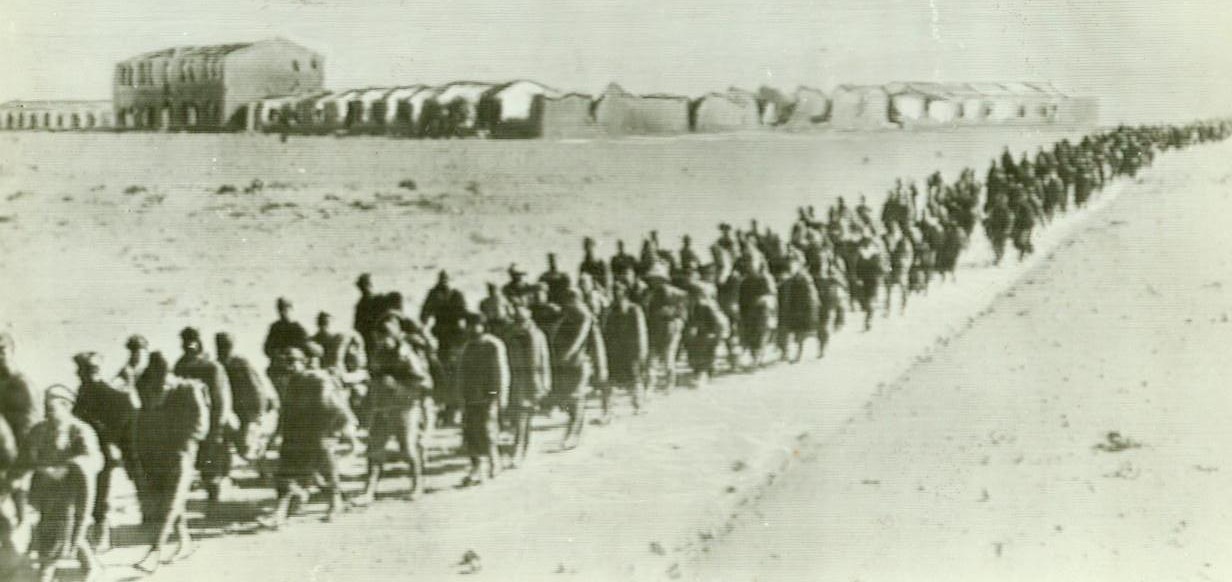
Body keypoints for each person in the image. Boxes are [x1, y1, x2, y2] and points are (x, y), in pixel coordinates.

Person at [132, 353, 209, 572]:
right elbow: (142, 418)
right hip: (153, 453)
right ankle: (185, 541)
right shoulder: (146, 387)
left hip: (180, 453)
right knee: (166, 500)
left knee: (171, 501)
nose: (158, 393)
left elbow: (200, 426)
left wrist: (181, 445)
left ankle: (155, 551)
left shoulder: (189, 390)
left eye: (163, 386)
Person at [21, 385, 104, 582]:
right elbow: (28, 454)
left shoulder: (80, 429)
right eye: (46, 408)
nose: (48, 413)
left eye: (52, 408)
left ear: (66, 406)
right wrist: (40, 467)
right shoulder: (39, 429)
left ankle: (47, 568)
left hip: (70, 489)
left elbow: (93, 458)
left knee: (68, 527)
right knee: (50, 526)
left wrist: (69, 467)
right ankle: (88, 564)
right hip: (46, 489)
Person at [267, 348, 356, 527]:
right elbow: (286, 412)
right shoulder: (292, 382)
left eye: (293, 362)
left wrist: (333, 434)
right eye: (286, 362)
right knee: (284, 473)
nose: (289, 366)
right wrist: (276, 435)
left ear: (304, 362)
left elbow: (338, 410)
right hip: (295, 435)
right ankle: (279, 514)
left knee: (325, 472)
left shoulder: (318, 380)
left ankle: (334, 504)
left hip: (317, 434)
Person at [356, 311, 433, 504]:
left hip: (405, 407)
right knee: (374, 449)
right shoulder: (378, 353)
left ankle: (417, 484)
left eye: (385, 338)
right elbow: (374, 376)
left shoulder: (406, 355)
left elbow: (424, 383)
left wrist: (398, 386)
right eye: (379, 338)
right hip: (382, 406)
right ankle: (369, 490)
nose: (382, 342)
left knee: (408, 448)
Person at [71, 352, 139, 552]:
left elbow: (128, 410)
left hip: (100, 453)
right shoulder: (85, 390)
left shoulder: (104, 392)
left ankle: (101, 536)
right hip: (89, 452)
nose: (78, 373)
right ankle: (92, 535)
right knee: (91, 496)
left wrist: (110, 437)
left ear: (90, 371)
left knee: (99, 496)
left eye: (81, 370)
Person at [173, 327, 238, 504]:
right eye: (186, 341)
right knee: (197, 460)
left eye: (193, 341)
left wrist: (218, 426)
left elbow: (222, 398)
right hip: (188, 424)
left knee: (212, 461)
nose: (190, 345)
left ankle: (214, 498)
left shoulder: (212, 367)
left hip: (211, 422)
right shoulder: (180, 366)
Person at [455, 313, 509, 485]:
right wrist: (460, 397)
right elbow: (461, 374)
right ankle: (476, 467)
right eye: (468, 325)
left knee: (488, 430)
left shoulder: (493, 345)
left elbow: (501, 372)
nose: (471, 329)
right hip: (471, 395)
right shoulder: (467, 347)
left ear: (482, 326)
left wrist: (500, 396)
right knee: (470, 431)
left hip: (489, 395)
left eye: (474, 325)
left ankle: (495, 462)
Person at [549, 288, 607, 450]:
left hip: (578, 364)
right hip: (567, 365)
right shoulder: (568, 319)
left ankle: (573, 434)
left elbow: (590, 344)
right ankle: (575, 432)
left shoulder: (584, 319)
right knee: (571, 399)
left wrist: (601, 368)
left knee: (576, 399)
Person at [216, 333, 280, 466]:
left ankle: (262, 464)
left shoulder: (239, 363)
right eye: (221, 346)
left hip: (248, 410)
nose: (223, 349)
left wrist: (257, 412)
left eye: (225, 346)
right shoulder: (220, 364)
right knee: (231, 442)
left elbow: (256, 387)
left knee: (245, 446)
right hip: (234, 410)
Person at [499, 306, 551, 466]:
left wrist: (543, 383)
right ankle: (521, 447)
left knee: (523, 415)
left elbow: (541, 361)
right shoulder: (512, 334)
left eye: (520, 321)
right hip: (517, 380)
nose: (517, 324)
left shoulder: (534, 335)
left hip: (529, 381)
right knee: (521, 416)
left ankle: (519, 449)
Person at [421, 271, 468, 426]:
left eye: (447, 280)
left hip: (457, 340)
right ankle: (448, 410)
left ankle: (454, 411)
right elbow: (424, 315)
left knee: (455, 374)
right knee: (444, 375)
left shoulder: (457, 295)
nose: (445, 283)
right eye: (443, 280)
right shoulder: (434, 294)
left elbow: (464, 315)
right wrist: (426, 332)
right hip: (443, 341)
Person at [602, 282, 648, 418]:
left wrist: (641, 352)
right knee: (609, 381)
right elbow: (605, 330)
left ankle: (638, 406)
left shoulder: (633, 309)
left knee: (635, 379)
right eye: (614, 290)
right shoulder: (609, 309)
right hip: (614, 351)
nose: (616, 293)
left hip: (630, 351)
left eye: (619, 290)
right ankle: (607, 411)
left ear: (625, 292)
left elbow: (641, 332)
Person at [643, 264, 688, 391]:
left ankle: (667, 384)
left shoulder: (672, 293)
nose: (653, 281)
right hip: (657, 327)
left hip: (668, 327)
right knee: (656, 356)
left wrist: (677, 320)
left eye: (655, 279)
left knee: (666, 355)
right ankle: (654, 384)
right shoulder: (650, 293)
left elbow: (682, 312)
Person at [776, 254, 820, 362]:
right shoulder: (788, 278)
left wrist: (808, 311)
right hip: (790, 309)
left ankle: (798, 355)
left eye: (793, 264)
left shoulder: (804, 278)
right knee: (786, 331)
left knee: (800, 334)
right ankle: (785, 353)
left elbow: (811, 297)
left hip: (801, 309)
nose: (790, 267)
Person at [683, 285, 730, 387]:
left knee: (703, 354)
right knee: (702, 354)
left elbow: (718, 322)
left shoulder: (705, 305)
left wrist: (717, 335)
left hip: (708, 334)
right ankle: (705, 373)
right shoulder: (701, 305)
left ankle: (702, 375)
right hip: (704, 333)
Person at [0, 332, 39, 452]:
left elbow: (30, 429)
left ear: (11, 352)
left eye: (2, 351)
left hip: (17, 454)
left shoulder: (22, 385)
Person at [263, 297, 310, 362]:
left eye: (285, 309)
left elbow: (306, 348)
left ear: (291, 309)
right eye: (280, 309)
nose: (282, 313)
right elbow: (267, 348)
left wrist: (295, 353)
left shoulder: (298, 328)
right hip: (278, 363)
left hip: (295, 364)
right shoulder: (275, 327)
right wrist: (277, 353)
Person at [353, 273, 382, 349]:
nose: (362, 289)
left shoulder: (379, 300)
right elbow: (357, 325)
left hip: (377, 336)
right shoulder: (360, 304)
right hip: (367, 338)